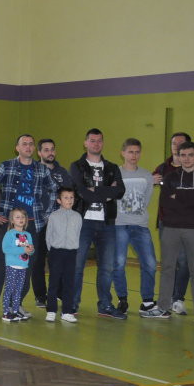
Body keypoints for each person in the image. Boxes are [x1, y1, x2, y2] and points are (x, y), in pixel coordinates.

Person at [142, 141, 194, 327]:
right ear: (178, 156)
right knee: (167, 269)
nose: (186, 159)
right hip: (171, 229)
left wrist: (179, 196)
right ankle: (163, 307)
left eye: (190, 155)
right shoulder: (170, 178)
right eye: (182, 155)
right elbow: (166, 203)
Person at [0, 134, 56, 319]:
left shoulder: (42, 169)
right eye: (24, 144)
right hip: (10, 225)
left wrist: (47, 215)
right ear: (17, 148)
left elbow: (54, 190)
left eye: (31, 144)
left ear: (34, 148)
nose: (28, 147)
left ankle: (16, 304)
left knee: (26, 265)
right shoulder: (6, 166)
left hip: (32, 225)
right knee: (2, 264)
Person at [69, 128, 126, 319]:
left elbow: (120, 191)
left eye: (99, 140)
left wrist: (95, 191)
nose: (96, 144)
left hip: (107, 223)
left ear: (103, 143)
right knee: (77, 266)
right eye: (92, 140)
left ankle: (105, 305)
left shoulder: (112, 168)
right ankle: (72, 304)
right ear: (85, 143)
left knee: (107, 267)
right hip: (83, 222)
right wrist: (107, 192)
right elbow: (81, 191)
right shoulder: (77, 166)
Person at [113, 138, 158, 314]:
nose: (134, 155)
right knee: (119, 263)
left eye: (137, 152)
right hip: (119, 224)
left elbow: (146, 200)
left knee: (150, 263)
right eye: (130, 152)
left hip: (140, 226)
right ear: (123, 153)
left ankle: (147, 302)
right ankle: (122, 299)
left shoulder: (146, 176)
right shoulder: (115, 173)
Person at [152, 132, 194, 314]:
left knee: (184, 262)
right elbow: (148, 182)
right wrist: (151, 181)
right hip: (167, 222)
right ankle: (168, 297)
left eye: (180, 143)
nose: (176, 146)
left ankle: (178, 298)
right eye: (173, 143)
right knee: (169, 262)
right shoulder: (163, 168)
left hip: (188, 223)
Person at [31, 138, 74, 306]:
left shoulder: (63, 173)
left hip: (59, 224)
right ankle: (40, 295)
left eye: (52, 149)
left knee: (59, 260)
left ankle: (58, 293)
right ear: (39, 153)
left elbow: (69, 195)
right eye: (46, 150)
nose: (50, 153)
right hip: (39, 223)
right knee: (38, 261)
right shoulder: (33, 171)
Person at [46, 187, 82, 323]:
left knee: (69, 282)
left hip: (71, 253)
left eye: (71, 197)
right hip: (56, 252)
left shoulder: (77, 217)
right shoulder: (53, 216)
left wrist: (73, 247)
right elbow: (48, 235)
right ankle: (51, 310)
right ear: (59, 200)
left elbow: (78, 234)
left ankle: (67, 311)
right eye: (66, 197)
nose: (69, 200)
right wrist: (52, 250)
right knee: (54, 282)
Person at [0, 208, 35, 322]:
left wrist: (31, 250)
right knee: (9, 289)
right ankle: (6, 313)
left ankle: (15, 312)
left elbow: (30, 251)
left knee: (18, 290)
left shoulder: (28, 235)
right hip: (12, 266)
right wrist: (23, 249)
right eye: (17, 217)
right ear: (12, 220)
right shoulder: (9, 234)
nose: (21, 219)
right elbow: (6, 249)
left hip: (23, 266)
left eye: (23, 217)